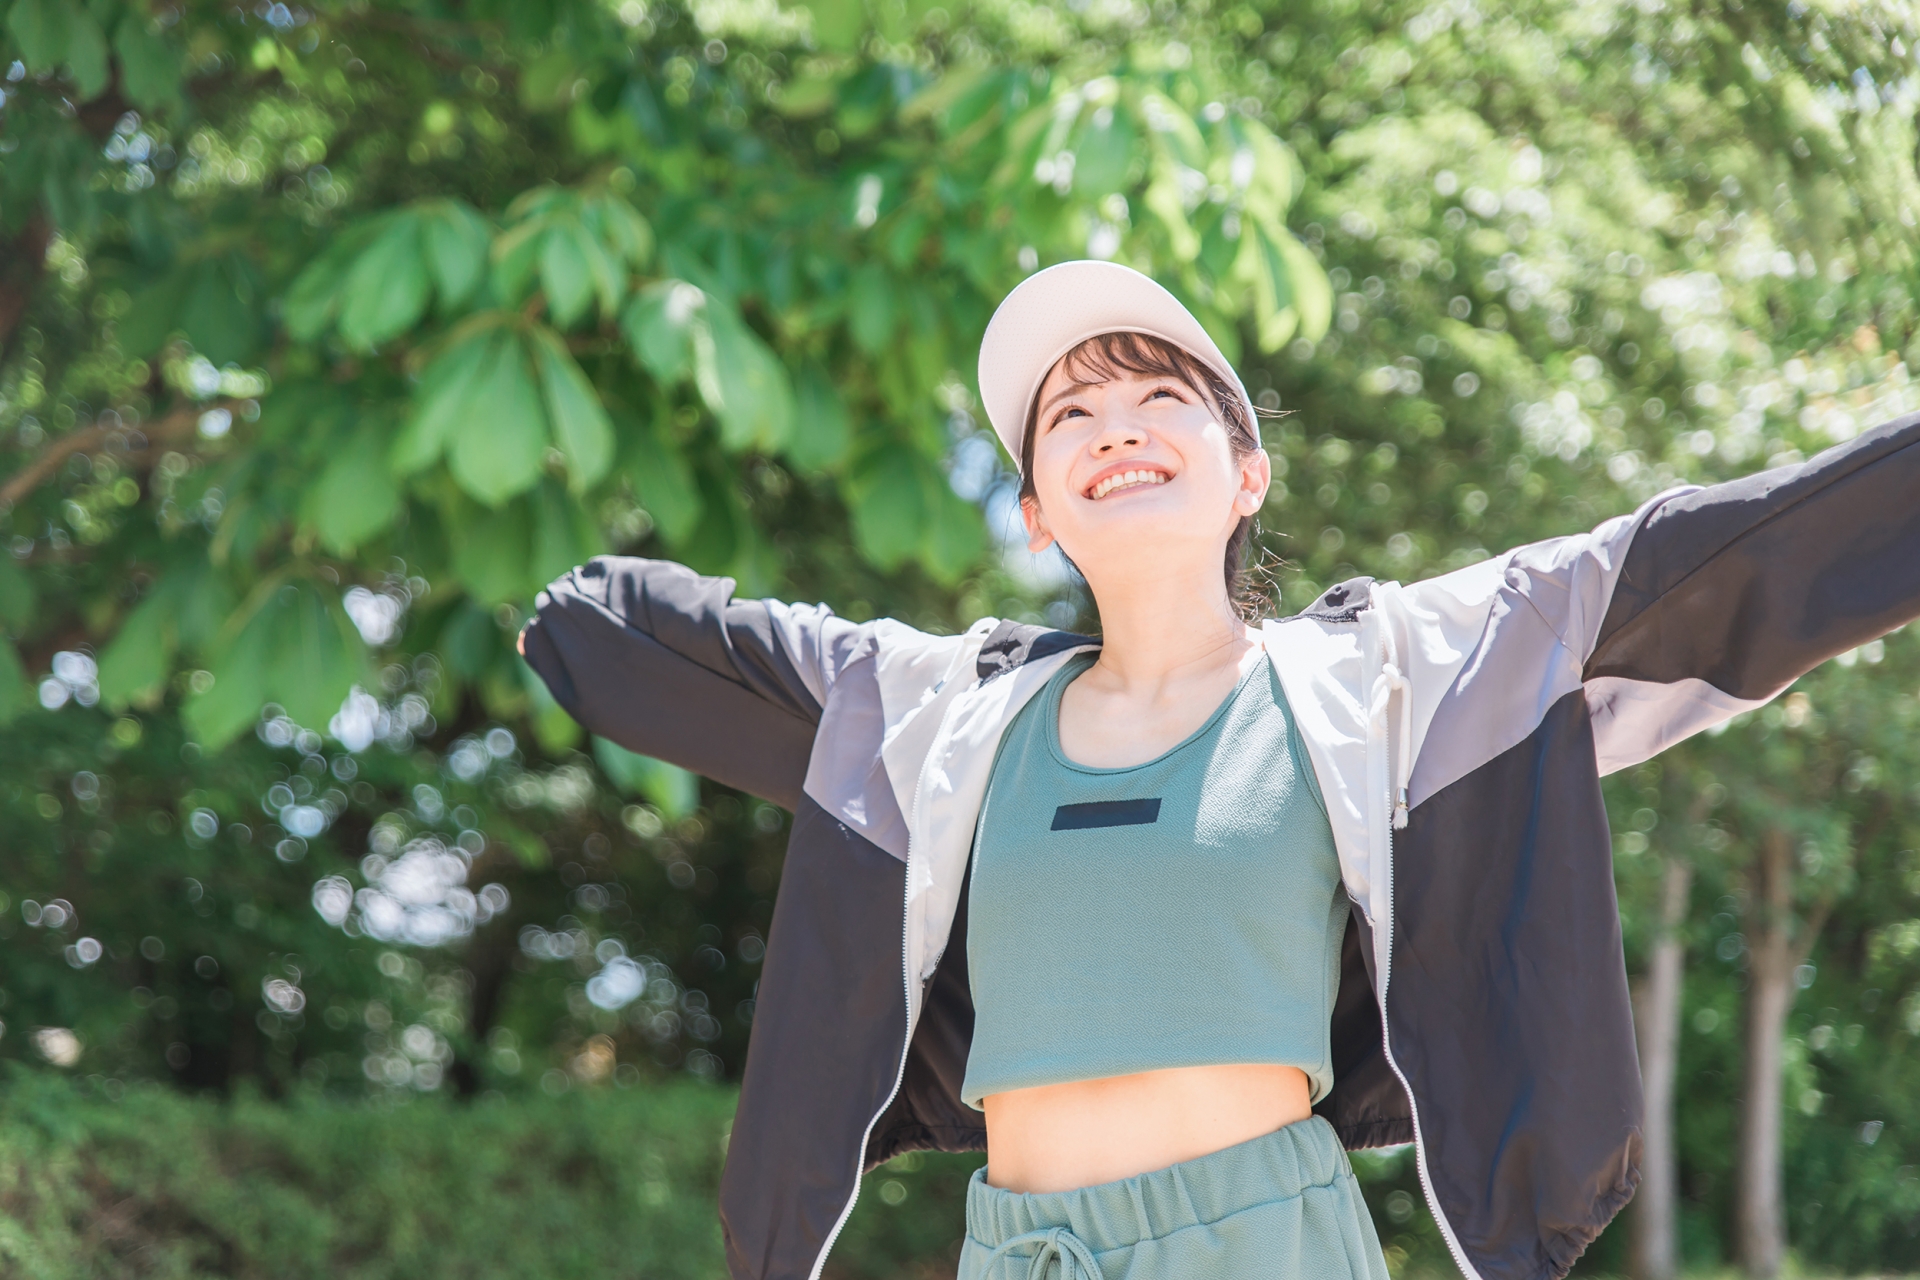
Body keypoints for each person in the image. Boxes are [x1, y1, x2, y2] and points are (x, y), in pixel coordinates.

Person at [520, 260, 1920, 1280]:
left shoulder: (1393, 677)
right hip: (1021, 1250)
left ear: (1247, 472)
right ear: (1035, 509)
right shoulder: (937, 714)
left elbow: (1732, 559)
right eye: (1068, 416)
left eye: (1155, 395)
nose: (1112, 424)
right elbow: (674, 646)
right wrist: (559, 609)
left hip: (1257, 1240)